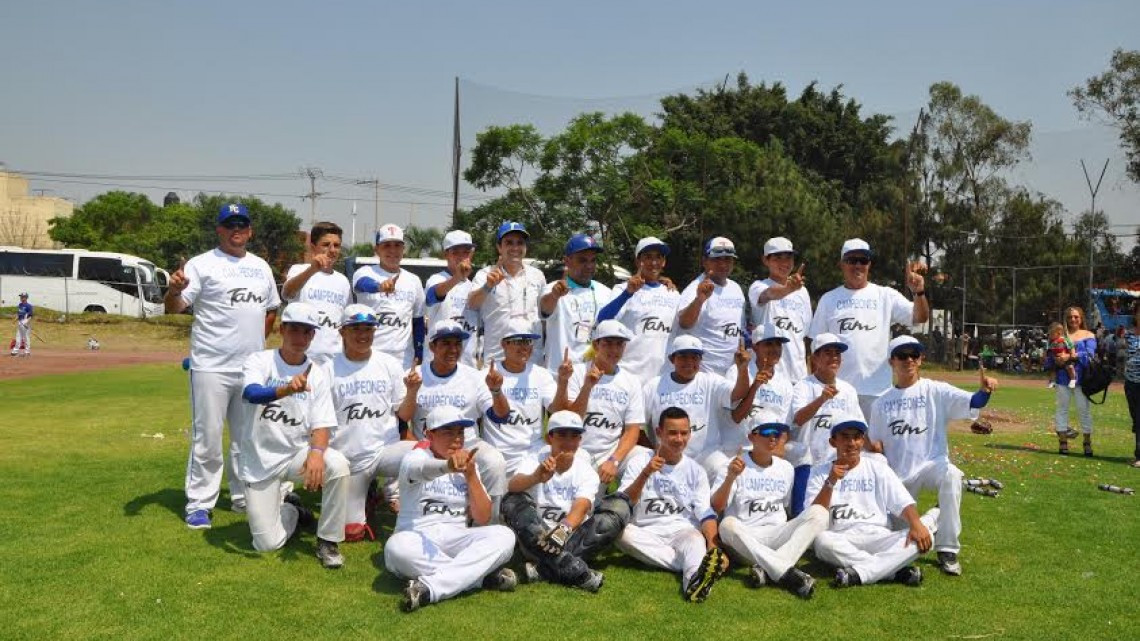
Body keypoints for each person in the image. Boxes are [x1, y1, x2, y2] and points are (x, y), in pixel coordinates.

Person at [165, 203, 282, 529]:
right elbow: (175, 307)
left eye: (242, 225)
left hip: (250, 370)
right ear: (218, 230)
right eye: (229, 225)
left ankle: (244, 497)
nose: (236, 230)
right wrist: (173, 291)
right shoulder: (202, 265)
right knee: (208, 439)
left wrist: (257, 346)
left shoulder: (261, 267)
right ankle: (199, 504)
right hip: (211, 366)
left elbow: (271, 308)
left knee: (247, 440)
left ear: (250, 230)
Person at [867, 335, 997, 576]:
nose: (909, 360)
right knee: (899, 538)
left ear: (921, 360)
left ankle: (947, 548)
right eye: (902, 355)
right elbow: (877, 447)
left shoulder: (935, 390)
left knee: (952, 475)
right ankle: (936, 516)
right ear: (891, 362)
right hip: (899, 476)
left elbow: (973, 401)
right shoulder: (880, 404)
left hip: (932, 465)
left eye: (914, 355)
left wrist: (985, 390)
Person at [238, 302, 348, 569]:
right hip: (259, 459)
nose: (300, 338)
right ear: (282, 329)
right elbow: (251, 393)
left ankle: (327, 540)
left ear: (313, 336)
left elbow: (322, 424)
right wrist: (285, 389)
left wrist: (317, 454)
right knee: (266, 544)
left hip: (294, 455)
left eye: (307, 332)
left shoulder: (318, 374)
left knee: (338, 465)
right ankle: (293, 510)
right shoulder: (260, 360)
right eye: (295, 330)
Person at [384, 406, 518, 613]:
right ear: (429, 434)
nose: (457, 439)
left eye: (460, 433)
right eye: (448, 432)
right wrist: (448, 466)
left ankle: (429, 588)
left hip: (456, 536)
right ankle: (479, 578)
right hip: (416, 536)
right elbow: (422, 470)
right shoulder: (416, 456)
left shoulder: (469, 465)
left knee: (505, 535)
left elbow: (483, 517)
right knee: (396, 548)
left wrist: (471, 476)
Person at [501, 410, 631, 592]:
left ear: (580, 440)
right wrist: (536, 477)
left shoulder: (586, 471)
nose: (568, 441)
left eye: (574, 436)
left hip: (570, 538)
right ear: (549, 438)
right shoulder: (535, 458)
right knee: (512, 500)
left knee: (619, 507)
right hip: (536, 537)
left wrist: (564, 528)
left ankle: (540, 570)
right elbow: (513, 487)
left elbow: (582, 505)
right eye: (562, 434)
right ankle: (575, 569)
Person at [808, 418, 939, 588]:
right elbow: (814, 513)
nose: (851, 443)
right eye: (845, 437)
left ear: (862, 441)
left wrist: (916, 524)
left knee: (922, 536)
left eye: (856, 437)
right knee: (821, 541)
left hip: (879, 537)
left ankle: (860, 573)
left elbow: (902, 502)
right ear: (833, 442)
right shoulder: (819, 472)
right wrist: (831, 481)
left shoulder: (878, 468)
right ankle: (894, 572)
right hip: (842, 537)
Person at [807, 238, 929, 419]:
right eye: (851, 260)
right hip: (838, 391)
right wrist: (816, 386)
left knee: (876, 446)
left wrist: (918, 292)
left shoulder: (885, 295)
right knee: (838, 446)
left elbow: (920, 317)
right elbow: (815, 345)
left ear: (869, 264)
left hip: (878, 391)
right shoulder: (829, 299)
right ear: (841, 264)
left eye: (862, 260)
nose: (857, 265)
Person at [616, 407, 729, 602]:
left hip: (682, 531)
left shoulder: (696, 471)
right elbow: (626, 501)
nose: (679, 439)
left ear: (690, 434)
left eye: (684, 433)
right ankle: (692, 565)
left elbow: (706, 514)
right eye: (673, 433)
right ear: (659, 433)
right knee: (619, 533)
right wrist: (645, 474)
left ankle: (695, 583)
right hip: (646, 530)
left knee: (695, 539)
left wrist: (713, 546)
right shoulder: (639, 462)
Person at [325, 304, 416, 542]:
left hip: (384, 451)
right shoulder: (327, 369)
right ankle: (367, 496)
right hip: (349, 459)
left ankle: (421, 513)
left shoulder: (389, 364)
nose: (363, 335)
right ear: (342, 331)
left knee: (425, 456)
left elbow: (404, 415)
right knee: (351, 533)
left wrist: (412, 392)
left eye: (368, 328)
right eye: (355, 329)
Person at [397, 320, 510, 511]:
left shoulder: (474, 376)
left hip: (468, 444)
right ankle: (408, 507)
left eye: (457, 343)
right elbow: (401, 421)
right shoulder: (414, 375)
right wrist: (411, 392)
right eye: (446, 343)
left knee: (494, 461)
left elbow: (500, 416)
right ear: (432, 346)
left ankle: (489, 520)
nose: (453, 349)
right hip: (427, 446)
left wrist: (497, 391)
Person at [712, 417, 827, 599]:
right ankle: (788, 573)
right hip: (747, 541)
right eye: (766, 432)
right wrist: (731, 477)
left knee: (819, 513)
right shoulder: (733, 465)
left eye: (777, 434)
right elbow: (717, 506)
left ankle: (768, 569)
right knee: (727, 524)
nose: (773, 438)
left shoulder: (786, 468)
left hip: (777, 535)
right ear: (751, 437)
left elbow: (786, 507)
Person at [642, 335, 750, 479]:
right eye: (683, 356)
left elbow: (739, 393)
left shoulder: (710, 381)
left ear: (700, 360)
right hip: (667, 457)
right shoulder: (653, 386)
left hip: (706, 456)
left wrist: (742, 369)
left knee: (723, 469)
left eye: (695, 357)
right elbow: (636, 426)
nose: (689, 362)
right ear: (672, 359)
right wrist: (652, 450)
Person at [789, 333, 863, 516]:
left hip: (838, 461)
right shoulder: (802, 386)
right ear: (815, 357)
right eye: (828, 352)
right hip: (809, 462)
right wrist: (821, 399)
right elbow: (797, 419)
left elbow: (860, 427)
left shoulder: (848, 390)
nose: (834, 357)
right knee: (803, 516)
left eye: (837, 353)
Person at [480, 319, 567, 476]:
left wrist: (563, 382)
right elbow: (498, 415)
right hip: (497, 454)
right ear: (504, 344)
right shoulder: (486, 375)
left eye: (528, 341)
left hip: (532, 453)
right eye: (517, 341)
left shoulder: (541, 374)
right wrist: (496, 390)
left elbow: (558, 410)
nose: (524, 347)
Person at [565, 320, 646, 487]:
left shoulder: (631, 381)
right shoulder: (578, 372)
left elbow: (632, 430)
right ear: (596, 345)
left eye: (619, 344)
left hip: (611, 452)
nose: (614, 350)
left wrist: (614, 460)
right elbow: (570, 421)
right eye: (608, 343)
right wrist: (587, 387)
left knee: (644, 458)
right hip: (578, 450)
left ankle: (622, 506)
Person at [595, 236, 681, 381]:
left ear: (664, 262)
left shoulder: (673, 293)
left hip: (662, 378)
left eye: (658, 257)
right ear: (638, 261)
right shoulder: (622, 289)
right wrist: (627, 294)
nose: (654, 262)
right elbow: (602, 320)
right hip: (629, 374)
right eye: (648, 257)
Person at [468, 221, 547, 365]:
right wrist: (488, 286)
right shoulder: (485, 274)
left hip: (532, 358)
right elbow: (472, 304)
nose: (515, 248)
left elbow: (544, 315)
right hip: (497, 357)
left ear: (525, 247)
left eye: (520, 243)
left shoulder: (537, 275)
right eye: (509, 243)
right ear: (499, 247)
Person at [351, 223, 426, 369]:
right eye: (386, 245)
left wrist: (419, 352)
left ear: (404, 249)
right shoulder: (364, 272)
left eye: (397, 245)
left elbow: (417, 320)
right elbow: (362, 284)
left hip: (404, 359)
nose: (393, 250)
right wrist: (379, 286)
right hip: (371, 355)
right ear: (377, 249)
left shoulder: (414, 280)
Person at [541, 233, 614, 374]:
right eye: (582, 260)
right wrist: (555, 296)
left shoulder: (605, 292)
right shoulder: (553, 289)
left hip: (593, 374)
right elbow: (544, 310)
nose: (589, 266)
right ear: (567, 261)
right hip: (560, 374)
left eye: (593, 260)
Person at [281, 221, 351, 365]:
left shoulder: (343, 281)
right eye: (326, 245)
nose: (332, 250)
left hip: (334, 360)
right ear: (313, 248)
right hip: (302, 357)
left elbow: (345, 321)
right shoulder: (299, 270)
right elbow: (287, 293)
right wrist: (312, 270)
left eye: (336, 245)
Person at [675, 237, 748, 375]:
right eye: (716, 259)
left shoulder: (736, 288)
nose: (723, 264)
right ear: (705, 262)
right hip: (704, 372)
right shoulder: (694, 288)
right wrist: (699, 299)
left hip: (731, 372)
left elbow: (740, 329)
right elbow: (684, 323)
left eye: (727, 259)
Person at [723, 324, 794, 462]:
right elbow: (735, 417)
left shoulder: (785, 383)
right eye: (769, 344)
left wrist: (778, 451)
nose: (774, 349)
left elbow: (785, 427)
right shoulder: (737, 371)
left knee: (801, 452)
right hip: (739, 447)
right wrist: (754, 387)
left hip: (769, 451)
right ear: (755, 346)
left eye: (778, 345)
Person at [748, 237, 812, 383]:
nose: (784, 263)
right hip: (768, 375)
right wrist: (789, 288)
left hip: (798, 376)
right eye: (777, 257)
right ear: (766, 260)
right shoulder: (758, 286)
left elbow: (805, 335)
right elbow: (769, 294)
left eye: (789, 257)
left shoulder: (803, 292)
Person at [423, 230, 480, 368]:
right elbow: (431, 296)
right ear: (446, 254)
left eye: (466, 252)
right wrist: (456, 278)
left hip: (467, 366)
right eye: (455, 252)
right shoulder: (437, 279)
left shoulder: (474, 286)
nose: (461, 257)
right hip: (437, 364)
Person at [1046, 306, 1098, 456]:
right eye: (1069, 317)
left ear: (1081, 318)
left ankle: (1087, 442)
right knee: (1061, 409)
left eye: (1076, 317)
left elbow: (1089, 355)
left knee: (1084, 410)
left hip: (1082, 379)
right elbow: (1050, 354)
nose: (1073, 320)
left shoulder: (1088, 335)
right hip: (1062, 378)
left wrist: (1070, 357)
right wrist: (1054, 360)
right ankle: (1063, 443)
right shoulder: (1060, 335)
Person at [1123, 305, 1140, 468]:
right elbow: (1127, 355)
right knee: (1136, 419)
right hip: (1131, 382)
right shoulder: (1129, 334)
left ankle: (1139, 455)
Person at [1044, 321, 1077, 389]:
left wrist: (1070, 354)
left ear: (1058, 333)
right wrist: (1046, 357)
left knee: (1070, 367)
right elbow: (1048, 351)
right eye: (1049, 334)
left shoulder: (1065, 340)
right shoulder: (1050, 341)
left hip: (1065, 358)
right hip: (1056, 359)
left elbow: (1071, 347)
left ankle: (1073, 379)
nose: (1050, 336)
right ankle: (1053, 381)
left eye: (1052, 334)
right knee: (1052, 369)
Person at [10, 292, 32, 356]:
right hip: (20, 322)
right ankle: (15, 351)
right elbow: (19, 314)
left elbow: (30, 316)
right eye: (21, 297)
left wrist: (26, 322)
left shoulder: (29, 306)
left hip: (25, 322)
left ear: (26, 298)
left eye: (23, 297)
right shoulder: (20, 305)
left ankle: (27, 351)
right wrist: (15, 319)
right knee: (18, 337)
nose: (21, 298)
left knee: (26, 337)